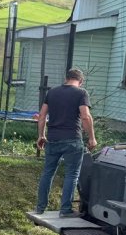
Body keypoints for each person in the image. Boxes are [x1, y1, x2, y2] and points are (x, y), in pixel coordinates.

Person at [35, 68, 98, 217]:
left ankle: (40, 207)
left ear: (66, 78)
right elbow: (85, 117)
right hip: (72, 140)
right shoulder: (81, 93)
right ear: (80, 81)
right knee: (72, 174)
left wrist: (41, 135)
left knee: (47, 173)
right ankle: (65, 210)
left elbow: (42, 116)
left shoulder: (52, 93)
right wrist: (91, 138)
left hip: (53, 139)